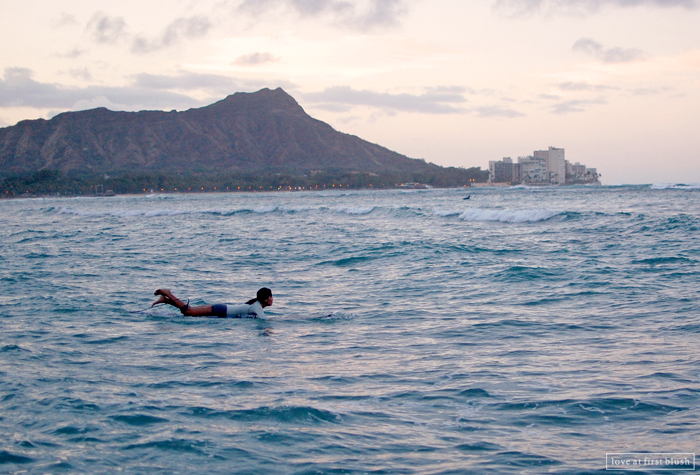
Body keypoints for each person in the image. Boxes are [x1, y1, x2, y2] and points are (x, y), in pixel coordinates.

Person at [152, 287, 273, 318]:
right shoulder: (257, 306)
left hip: (221, 309)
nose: (273, 299)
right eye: (271, 296)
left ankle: (166, 300)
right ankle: (168, 294)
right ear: (266, 299)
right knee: (188, 312)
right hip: (220, 310)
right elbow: (264, 320)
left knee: (189, 310)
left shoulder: (256, 305)